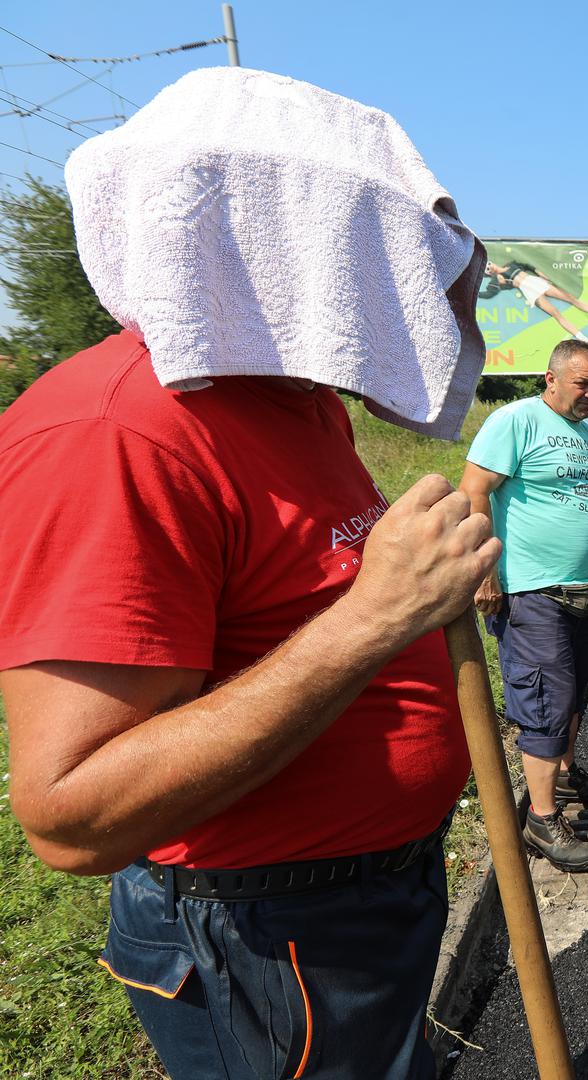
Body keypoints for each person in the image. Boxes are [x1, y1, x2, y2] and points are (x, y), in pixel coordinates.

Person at [0, 68, 496, 1079]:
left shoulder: (296, 403)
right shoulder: (115, 435)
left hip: (365, 902)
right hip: (266, 940)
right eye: (371, 250)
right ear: (277, 241)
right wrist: (377, 615)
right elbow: (73, 816)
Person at [459, 340, 588, 872]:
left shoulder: (581, 432)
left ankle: (565, 778)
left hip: (580, 589)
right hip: (531, 590)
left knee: (572, 691)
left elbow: (581, 495)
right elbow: (474, 490)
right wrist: (485, 570)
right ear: (550, 379)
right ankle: (542, 820)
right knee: (546, 700)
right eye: (581, 384)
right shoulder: (516, 421)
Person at [483, 259, 588, 342]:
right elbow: (489, 293)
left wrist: (543, 276)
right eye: (487, 270)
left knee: (571, 298)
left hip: (536, 282)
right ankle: (583, 338)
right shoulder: (498, 279)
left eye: (489, 264)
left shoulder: (511, 264)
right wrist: (498, 285)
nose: (490, 267)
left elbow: (529, 266)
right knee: (557, 314)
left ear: (491, 262)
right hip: (530, 292)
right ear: (488, 273)